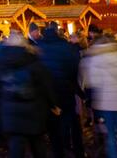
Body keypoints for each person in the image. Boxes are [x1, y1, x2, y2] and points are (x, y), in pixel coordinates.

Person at [0, 31, 60, 158]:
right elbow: (47, 85)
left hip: (10, 111)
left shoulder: (0, 62)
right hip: (34, 110)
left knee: (16, 146)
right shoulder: (34, 61)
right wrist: (53, 104)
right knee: (38, 144)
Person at [37, 21, 85, 158]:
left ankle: (59, 151)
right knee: (72, 121)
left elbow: (37, 71)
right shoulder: (66, 46)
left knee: (54, 126)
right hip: (66, 89)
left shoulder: (39, 48)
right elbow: (74, 68)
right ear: (58, 32)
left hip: (49, 93)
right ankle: (78, 150)